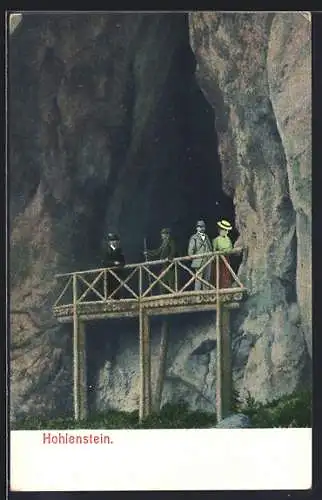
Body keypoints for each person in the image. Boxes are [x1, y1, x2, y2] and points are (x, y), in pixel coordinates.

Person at [144, 228, 176, 293]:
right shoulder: (163, 243)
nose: (162, 235)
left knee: (171, 283)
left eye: (163, 234)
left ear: (167, 235)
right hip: (164, 267)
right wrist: (148, 252)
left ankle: (173, 296)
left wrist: (169, 257)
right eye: (162, 234)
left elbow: (174, 251)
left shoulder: (171, 242)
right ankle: (164, 296)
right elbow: (157, 251)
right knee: (162, 283)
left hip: (170, 267)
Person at [187, 220, 212, 290]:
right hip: (199, 261)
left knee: (207, 278)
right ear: (197, 228)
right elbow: (190, 252)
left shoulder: (206, 237)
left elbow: (210, 247)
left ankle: (206, 294)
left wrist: (210, 255)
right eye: (199, 227)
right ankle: (197, 294)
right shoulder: (194, 238)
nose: (201, 228)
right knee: (198, 279)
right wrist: (195, 258)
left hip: (207, 260)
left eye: (203, 227)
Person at [102, 233, 125, 299]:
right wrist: (114, 263)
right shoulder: (106, 251)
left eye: (115, 240)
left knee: (117, 287)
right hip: (109, 274)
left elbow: (123, 261)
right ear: (109, 242)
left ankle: (117, 298)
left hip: (118, 273)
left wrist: (120, 264)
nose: (114, 242)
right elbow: (104, 262)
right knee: (109, 287)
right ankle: (109, 299)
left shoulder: (119, 250)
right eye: (112, 240)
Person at [212, 219, 233, 288]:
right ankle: (218, 287)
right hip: (219, 260)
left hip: (227, 258)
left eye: (226, 230)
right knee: (219, 274)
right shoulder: (216, 240)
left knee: (227, 273)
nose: (225, 232)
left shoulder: (228, 239)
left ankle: (227, 286)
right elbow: (214, 251)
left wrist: (227, 251)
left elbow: (231, 247)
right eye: (223, 230)